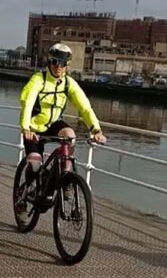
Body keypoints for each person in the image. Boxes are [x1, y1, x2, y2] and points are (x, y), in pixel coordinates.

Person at [19, 43, 107, 179]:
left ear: (67, 65)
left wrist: (96, 130)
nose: (59, 66)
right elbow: (27, 103)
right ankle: (27, 190)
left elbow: (85, 107)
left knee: (70, 135)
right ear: (50, 61)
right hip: (34, 127)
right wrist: (26, 128)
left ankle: (64, 177)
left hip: (54, 124)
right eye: (55, 62)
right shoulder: (38, 79)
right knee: (35, 163)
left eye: (63, 63)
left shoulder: (68, 83)